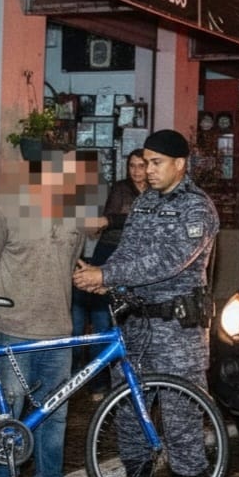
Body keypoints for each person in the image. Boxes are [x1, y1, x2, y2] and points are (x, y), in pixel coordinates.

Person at [73, 129, 219, 477]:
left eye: (156, 163)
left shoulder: (196, 207)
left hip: (176, 327)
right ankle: (138, 474)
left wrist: (107, 275)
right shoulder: (144, 204)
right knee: (127, 405)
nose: (148, 171)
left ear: (179, 164)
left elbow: (170, 261)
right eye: (145, 163)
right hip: (135, 321)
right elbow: (128, 252)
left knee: (180, 410)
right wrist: (104, 278)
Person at [0, 149, 106, 477]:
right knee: (7, 411)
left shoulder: (76, 218)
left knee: (55, 414)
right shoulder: (7, 208)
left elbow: (70, 264)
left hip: (59, 331)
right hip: (12, 329)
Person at [71, 148, 147, 400]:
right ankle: (94, 383)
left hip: (133, 260)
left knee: (124, 325)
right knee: (100, 322)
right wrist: (106, 222)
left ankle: (123, 383)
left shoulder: (157, 192)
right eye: (132, 166)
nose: (136, 171)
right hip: (108, 255)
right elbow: (114, 216)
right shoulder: (121, 188)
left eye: (141, 165)